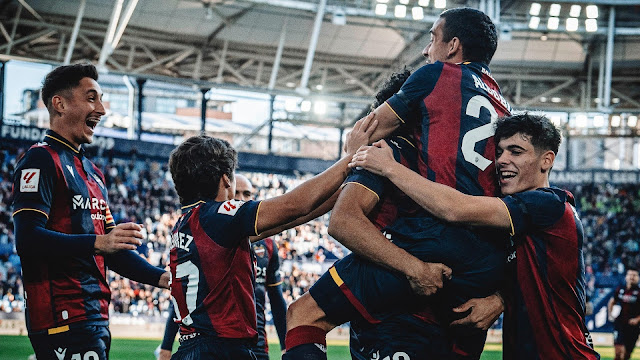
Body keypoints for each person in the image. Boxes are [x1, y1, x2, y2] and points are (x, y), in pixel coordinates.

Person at [284, 7, 510, 360]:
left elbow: (366, 134)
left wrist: (357, 148)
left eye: (432, 38)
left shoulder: (432, 82)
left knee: (303, 315)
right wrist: (501, 295)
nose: (426, 50)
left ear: (452, 46)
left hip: (431, 241)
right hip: (484, 266)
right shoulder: (504, 109)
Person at [352, 113, 600, 359]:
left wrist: (389, 167)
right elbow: (530, 273)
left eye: (515, 151)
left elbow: (454, 209)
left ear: (546, 160)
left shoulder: (548, 204)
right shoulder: (521, 222)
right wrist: (501, 298)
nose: (502, 160)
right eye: (499, 152)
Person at [167, 115, 376, 360]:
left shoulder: (187, 225)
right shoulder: (218, 216)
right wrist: (351, 158)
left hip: (192, 349)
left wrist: (350, 188)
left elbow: (294, 216)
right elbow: (294, 206)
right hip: (220, 349)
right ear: (226, 179)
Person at [11, 63, 170, 360]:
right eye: (91, 98)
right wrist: (98, 242)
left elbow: (112, 249)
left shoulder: (93, 174)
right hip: (62, 316)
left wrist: (162, 278)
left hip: (95, 315)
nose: (102, 109)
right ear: (59, 104)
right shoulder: (40, 160)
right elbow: (28, 239)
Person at [155, 174, 287, 360]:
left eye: (247, 194)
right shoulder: (208, 235)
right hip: (219, 343)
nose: (241, 198)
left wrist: (285, 345)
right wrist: (166, 344)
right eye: (237, 192)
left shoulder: (269, 246)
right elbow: (182, 296)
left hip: (256, 344)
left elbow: (276, 299)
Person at [608, 268, 640, 360]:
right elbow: (611, 302)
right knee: (618, 353)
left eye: (634, 275)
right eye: (630, 275)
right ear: (626, 277)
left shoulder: (639, 292)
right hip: (620, 324)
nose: (632, 277)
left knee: (626, 355)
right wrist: (610, 315)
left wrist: (637, 319)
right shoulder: (620, 289)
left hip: (633, 327)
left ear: (638, 278)